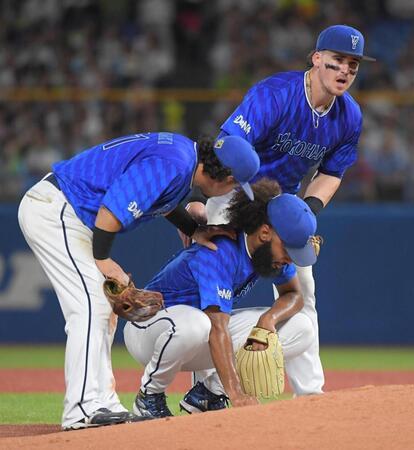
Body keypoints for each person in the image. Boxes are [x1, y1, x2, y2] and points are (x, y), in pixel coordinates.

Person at [17, 131, 259, 430]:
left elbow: (161, 200)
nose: (231, 189)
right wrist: (104, 261)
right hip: (59, 210)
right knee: (91, 306)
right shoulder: (174, 162)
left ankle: (101, 401)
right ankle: (81, 408)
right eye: (234, 182)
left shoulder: (183, 157)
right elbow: (110, 212)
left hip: (70, 212)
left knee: (102, 310)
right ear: (222, 172)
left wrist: (192, 229)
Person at [185, 24, 375, 397]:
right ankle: (206, 391)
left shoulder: (349, 116)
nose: (345, 71)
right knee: (217, 288)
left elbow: (331, 174)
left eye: (352, 65)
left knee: (304, 290)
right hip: (235, 191)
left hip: (284, 203)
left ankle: (311, 392)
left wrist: (304, 213)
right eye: (337, 60)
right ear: (317, 58)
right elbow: (229, 145)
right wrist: (210, 200)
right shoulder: (275, 94)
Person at [124, 178, 321, 418]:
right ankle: (149, 396)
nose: (289, 260)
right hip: (149, 329)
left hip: (198, 337)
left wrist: (268, 321)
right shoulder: (219, 250)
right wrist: (236, 393)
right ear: (265, 233)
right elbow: (217, 328)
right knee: (198, 324)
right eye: (289, 251)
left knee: (301, 327)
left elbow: (293, 295)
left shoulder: (274, 254)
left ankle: (208, 394)